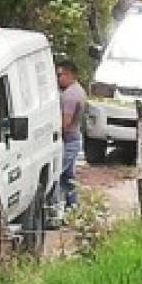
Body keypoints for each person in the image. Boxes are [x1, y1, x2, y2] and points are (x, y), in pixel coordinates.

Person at [56, 60, 87, 211]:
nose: (58, 78)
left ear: (69, 74)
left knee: (56, 175)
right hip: (74, 138)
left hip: (68, 140)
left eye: (60, 75)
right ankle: (73, 205)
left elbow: (65, 122)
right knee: (68, 177)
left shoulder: (70, 95)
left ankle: (56, 207)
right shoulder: (78, 90)